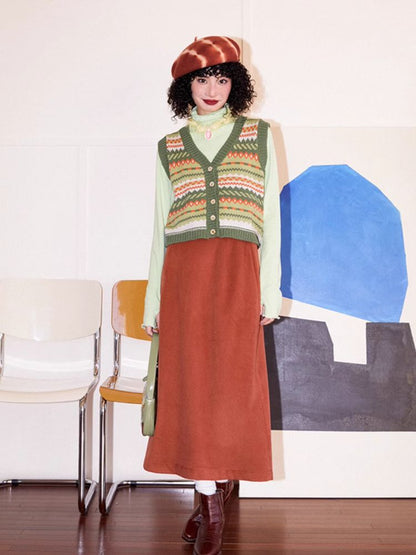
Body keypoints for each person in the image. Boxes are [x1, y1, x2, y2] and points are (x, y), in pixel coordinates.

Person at [143, 36, 282, 555]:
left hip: (238, 273)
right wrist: (153, 301)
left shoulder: (259, 136)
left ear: (236, 85)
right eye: (202, 78)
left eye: (222, 78)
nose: (212, 88)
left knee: (231, 390)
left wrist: (269, 291)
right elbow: (159, 230)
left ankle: (207, 501)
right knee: (192, 388)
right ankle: (212, 505)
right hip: (183, 278)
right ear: (186, 86)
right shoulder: (169, 147)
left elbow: (271, 221)